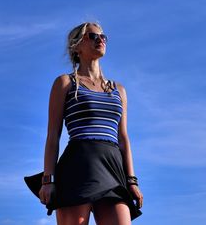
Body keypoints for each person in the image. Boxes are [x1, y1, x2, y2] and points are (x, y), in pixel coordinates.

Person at [38, 22, 143, 224]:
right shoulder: (65, 83)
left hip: (112, 168)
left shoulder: (118, 90)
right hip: (78, 165)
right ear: (76, 46)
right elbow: (53, 135)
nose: (100, 40)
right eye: (93, 36)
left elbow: (123, 138)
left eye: (103, 37)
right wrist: (47, 179)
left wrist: (132, 180)